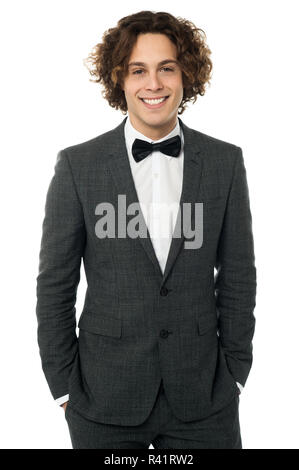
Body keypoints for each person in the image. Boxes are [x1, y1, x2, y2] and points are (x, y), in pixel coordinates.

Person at [36, 10, 256, 449]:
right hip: (102, 400)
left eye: (166, 68)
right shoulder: (79, 166)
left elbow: (238, 277)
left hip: (204, 401)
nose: (153, 84)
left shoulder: (224, 162)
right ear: (120, 79)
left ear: (185, 75)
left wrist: (235, 374)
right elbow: (55, 285)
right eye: (138, 70)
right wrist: (63, 386)